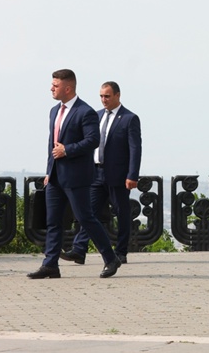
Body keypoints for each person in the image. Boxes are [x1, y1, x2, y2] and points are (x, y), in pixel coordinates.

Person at [27, 70, 121, 280]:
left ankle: (110, 258)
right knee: (53, 222)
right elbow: (52, 144)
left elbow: (92, 140)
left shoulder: (84, 112)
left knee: (85, 218)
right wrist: (49, 171)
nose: (51, 88)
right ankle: (50, 265)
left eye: (55, 85)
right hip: (55, 177)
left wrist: (67, 149)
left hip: (77, 177)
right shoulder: (53, 111)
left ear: (67, 88)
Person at [61, 81, 142, 266]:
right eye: (101, 96)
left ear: (117, 96)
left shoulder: (129, 118)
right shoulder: (95, 116)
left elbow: (135, 149)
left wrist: (132, 175)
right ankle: (79, 250)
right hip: (95, 173)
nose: (103, 100)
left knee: (122, 213)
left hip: (118, 175)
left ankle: (120, 252)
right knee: (87, 213)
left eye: (107, 96)